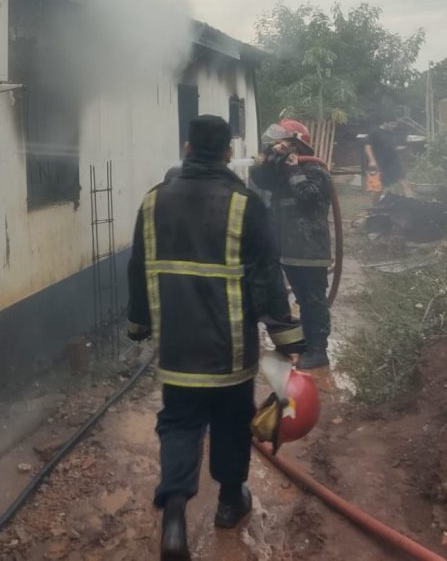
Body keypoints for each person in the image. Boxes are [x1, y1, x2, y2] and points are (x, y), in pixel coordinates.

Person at [127, 115, 306, 560]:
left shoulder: (152, 202)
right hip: (230, 350)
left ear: (187, 147)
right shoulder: (246, 205)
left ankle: (173, 519)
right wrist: (289, 341)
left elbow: (137, 267)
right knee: (230, 421)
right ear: (228, 151)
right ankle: (230, 502)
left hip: (177, 348)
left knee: (179, 423)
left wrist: (139, 324)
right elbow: (267, 280)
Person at [249, 121, 333, 370]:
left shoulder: (316, 171)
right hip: (288, 251)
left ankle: (318, 350)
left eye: (282, 143)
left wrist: (293, 169)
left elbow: (308, 196)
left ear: (297, 144)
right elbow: (261, 180)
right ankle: (305, 343)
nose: (278, 148)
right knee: (300, 299)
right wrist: (265, 160)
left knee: (312, 301)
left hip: (310, 252)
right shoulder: (280, 176)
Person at [364, 121, 413, 198]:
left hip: (393, 162)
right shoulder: (375, 132)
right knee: (377, 190)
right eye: (392, 124)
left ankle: (412, 205)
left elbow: (391, 148)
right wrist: (372, 161)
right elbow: (367, 147)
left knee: (405, 184)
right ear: (385, 122)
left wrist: (402, 148)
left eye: (395, 124)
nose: (394, 126)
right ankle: (374, 208)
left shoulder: (392, 133)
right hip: (378, 163)